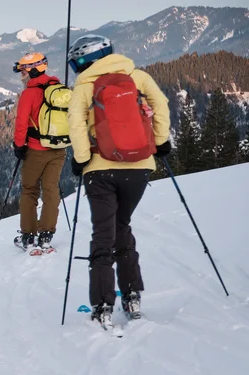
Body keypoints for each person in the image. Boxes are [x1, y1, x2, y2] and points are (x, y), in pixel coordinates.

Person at [65, 35, 170, 328]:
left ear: (84, 61)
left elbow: (75, 123)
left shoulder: (84, 86)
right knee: (121, 226)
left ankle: (102, 305)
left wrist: (81, 158)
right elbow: (161, 105)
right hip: (139, 168)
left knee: (103, 235)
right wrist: (161, 141)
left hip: (100, 170)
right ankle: (132, 295)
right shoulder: (137, 76)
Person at [12, 52, 67, 253]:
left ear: (33, 70)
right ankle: (46, 235)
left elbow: (21, 124)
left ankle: (28, 237)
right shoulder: (58, 89)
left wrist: (19, 146)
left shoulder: (29, 94)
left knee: (30, 191)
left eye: (23, 71)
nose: (22, 76)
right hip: (59, 148)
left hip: (36, 149)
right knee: (51, 190)